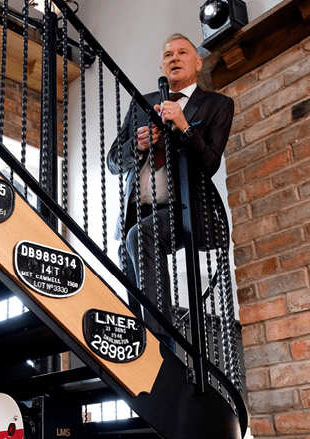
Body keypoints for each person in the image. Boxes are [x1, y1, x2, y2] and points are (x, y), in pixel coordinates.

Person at [107, 33, 234, 342]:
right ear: (162, 66)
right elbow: (113, 161)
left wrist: (185, 127)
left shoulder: (217, 105)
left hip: (184, 209)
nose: (174, 58)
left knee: (141, 236)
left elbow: (210, 163)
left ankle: (162, 344)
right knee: (132, 281)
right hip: (136, 211)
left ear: (198, 63)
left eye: (182, 53)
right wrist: (137, 147)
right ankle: (141, 346)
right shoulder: (142, 103)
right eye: (168, 55)